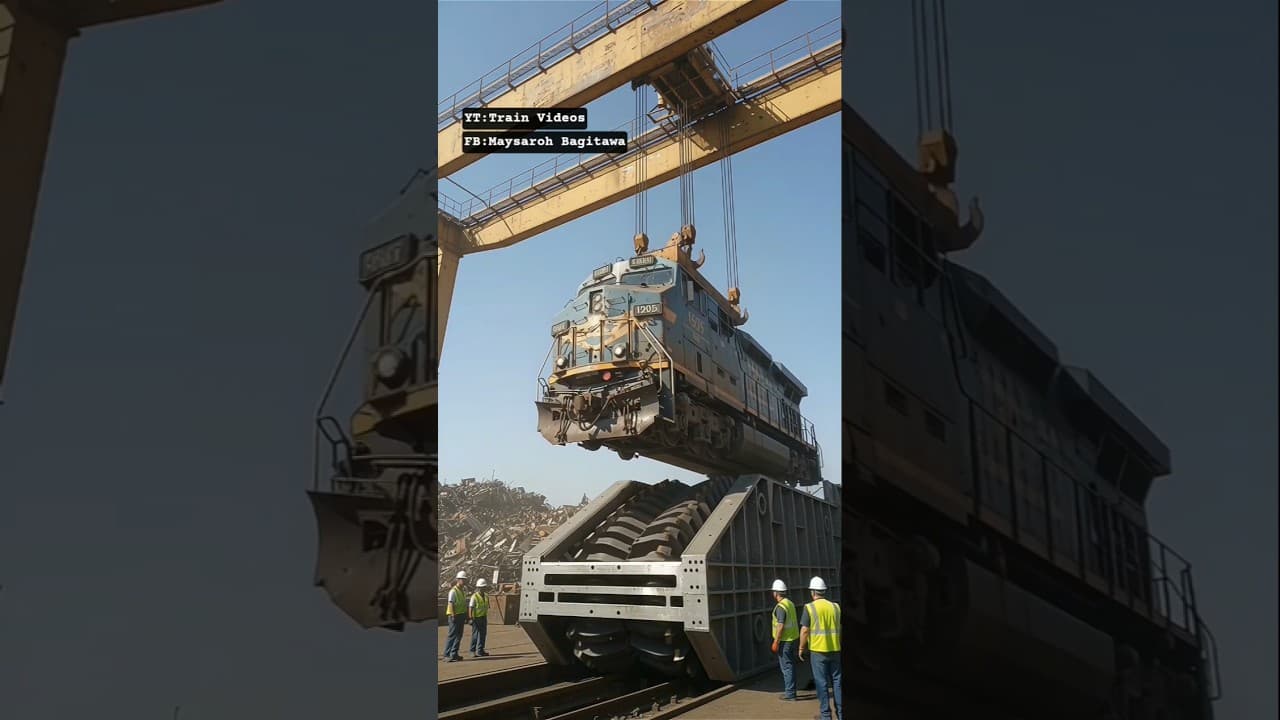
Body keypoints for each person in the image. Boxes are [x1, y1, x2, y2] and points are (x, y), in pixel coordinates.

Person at [798, 576, 842, 720]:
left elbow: (805, 630)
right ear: (824, 591)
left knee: (821, 683)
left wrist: (801, 648)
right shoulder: (836, 607)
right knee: (837, 682)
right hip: (835, 650)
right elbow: (840, 628)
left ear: (812, 592)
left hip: (818, 652)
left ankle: (825, 716)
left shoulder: (809, 608)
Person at [770, 578, 799, 700]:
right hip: (792, 639)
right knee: (790, 665)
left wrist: (776, 642)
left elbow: (780, 625)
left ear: (776, 593)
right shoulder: (790, 603)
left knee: (786, 667)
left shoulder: (780, 607)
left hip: (785, 641)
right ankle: (792, 691)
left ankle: (790, 694)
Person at [444, 571, 468, 662]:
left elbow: (463, 603)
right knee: (452, 635)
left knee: (459, 635)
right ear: (458, 580)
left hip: (461, 615)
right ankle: (447, 655)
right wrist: (453, 616)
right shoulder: (453, 591)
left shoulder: (462, 591)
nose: (464, 581)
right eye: (462, 579)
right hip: (454, 616)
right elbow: (451, 604)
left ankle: (454, 654)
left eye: (465, 579)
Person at [468, 578, 491, 657]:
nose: (483, 589)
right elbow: (470, 607)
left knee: (483, 634)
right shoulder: (474, 596)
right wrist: (470, 618)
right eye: (481, 587)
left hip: (483, 618)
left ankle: (480, 650)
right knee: (475, 635)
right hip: (476, 618)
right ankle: (472, 650)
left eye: (484, 587)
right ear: (478, 588)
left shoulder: (486, 596)